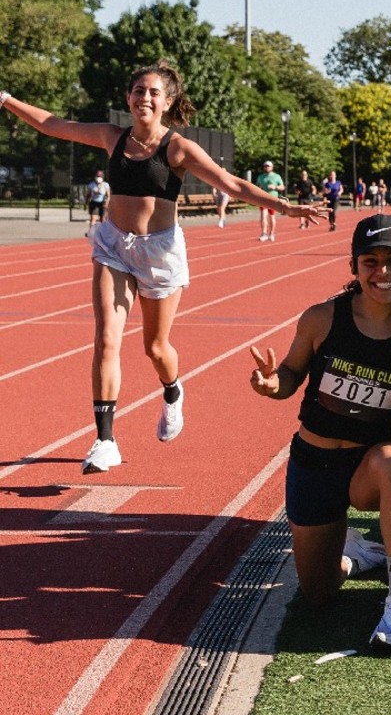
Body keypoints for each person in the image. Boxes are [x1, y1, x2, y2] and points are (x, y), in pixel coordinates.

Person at [0, 66, 324, 473]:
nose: (144, 99)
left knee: (155, 347)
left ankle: (172, 391)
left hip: (159, 254)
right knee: (106, 339)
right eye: (138, 91)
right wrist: (6, 99)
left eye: (153, 93)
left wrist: (285, 206)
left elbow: (231, 183)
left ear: (167, 101)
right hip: (114, 246)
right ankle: (105, 439)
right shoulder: (111, 136)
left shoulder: (177, 149)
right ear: (128, 97)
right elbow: (53, 124)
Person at [248, 214, 391, 650]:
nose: (382, 272)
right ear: (354, 267)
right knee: (318, 594)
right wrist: (273, 385)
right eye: (371, 260)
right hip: (314, 462)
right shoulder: (322, 318)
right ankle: (355, 554)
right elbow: (289, 373)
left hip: (367, 466)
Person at [255, 160, 284, 241]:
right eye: (265, 166)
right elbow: (258, 186)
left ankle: (272, 233)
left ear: (272, 167)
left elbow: (282, 187)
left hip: (273, 199)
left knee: (271, 216)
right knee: (263, 215)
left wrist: (275, 187)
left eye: (268, 166)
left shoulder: (276, 176)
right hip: (263, 198)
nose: (267, 167)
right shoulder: (261, 176)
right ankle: (264, 233)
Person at [85, 169, 110, 236]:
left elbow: (108, 196)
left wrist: (107, 203)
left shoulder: (105, 185)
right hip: (94, 202)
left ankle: (103, 233)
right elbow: (88, 194)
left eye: (100, 176)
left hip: (102, 203)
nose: (99, 178)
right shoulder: (91, 185)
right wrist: (86, 202)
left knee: (102, 219)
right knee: (93, 218)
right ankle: (91, 232)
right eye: (97, 176)